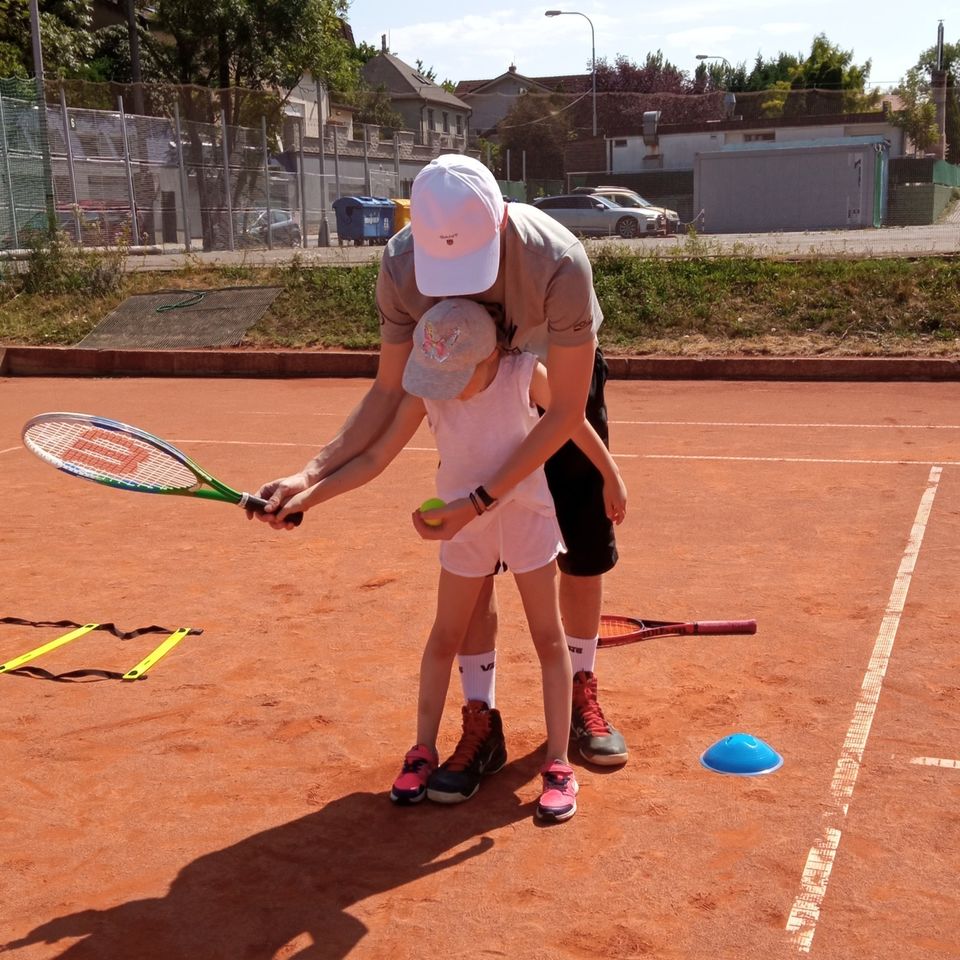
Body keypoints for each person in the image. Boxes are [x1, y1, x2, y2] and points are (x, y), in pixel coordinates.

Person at [252, 152, 628, 802]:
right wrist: (308, 477)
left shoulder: (557, 260)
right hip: (452, 370)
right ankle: (481, 718)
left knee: (584, 548)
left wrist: (482, 500)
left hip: (548, 374)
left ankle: (579, 686)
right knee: (471, 585)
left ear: (501, 222)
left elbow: (564, 410)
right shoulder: (402, 267)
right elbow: (389, 394)